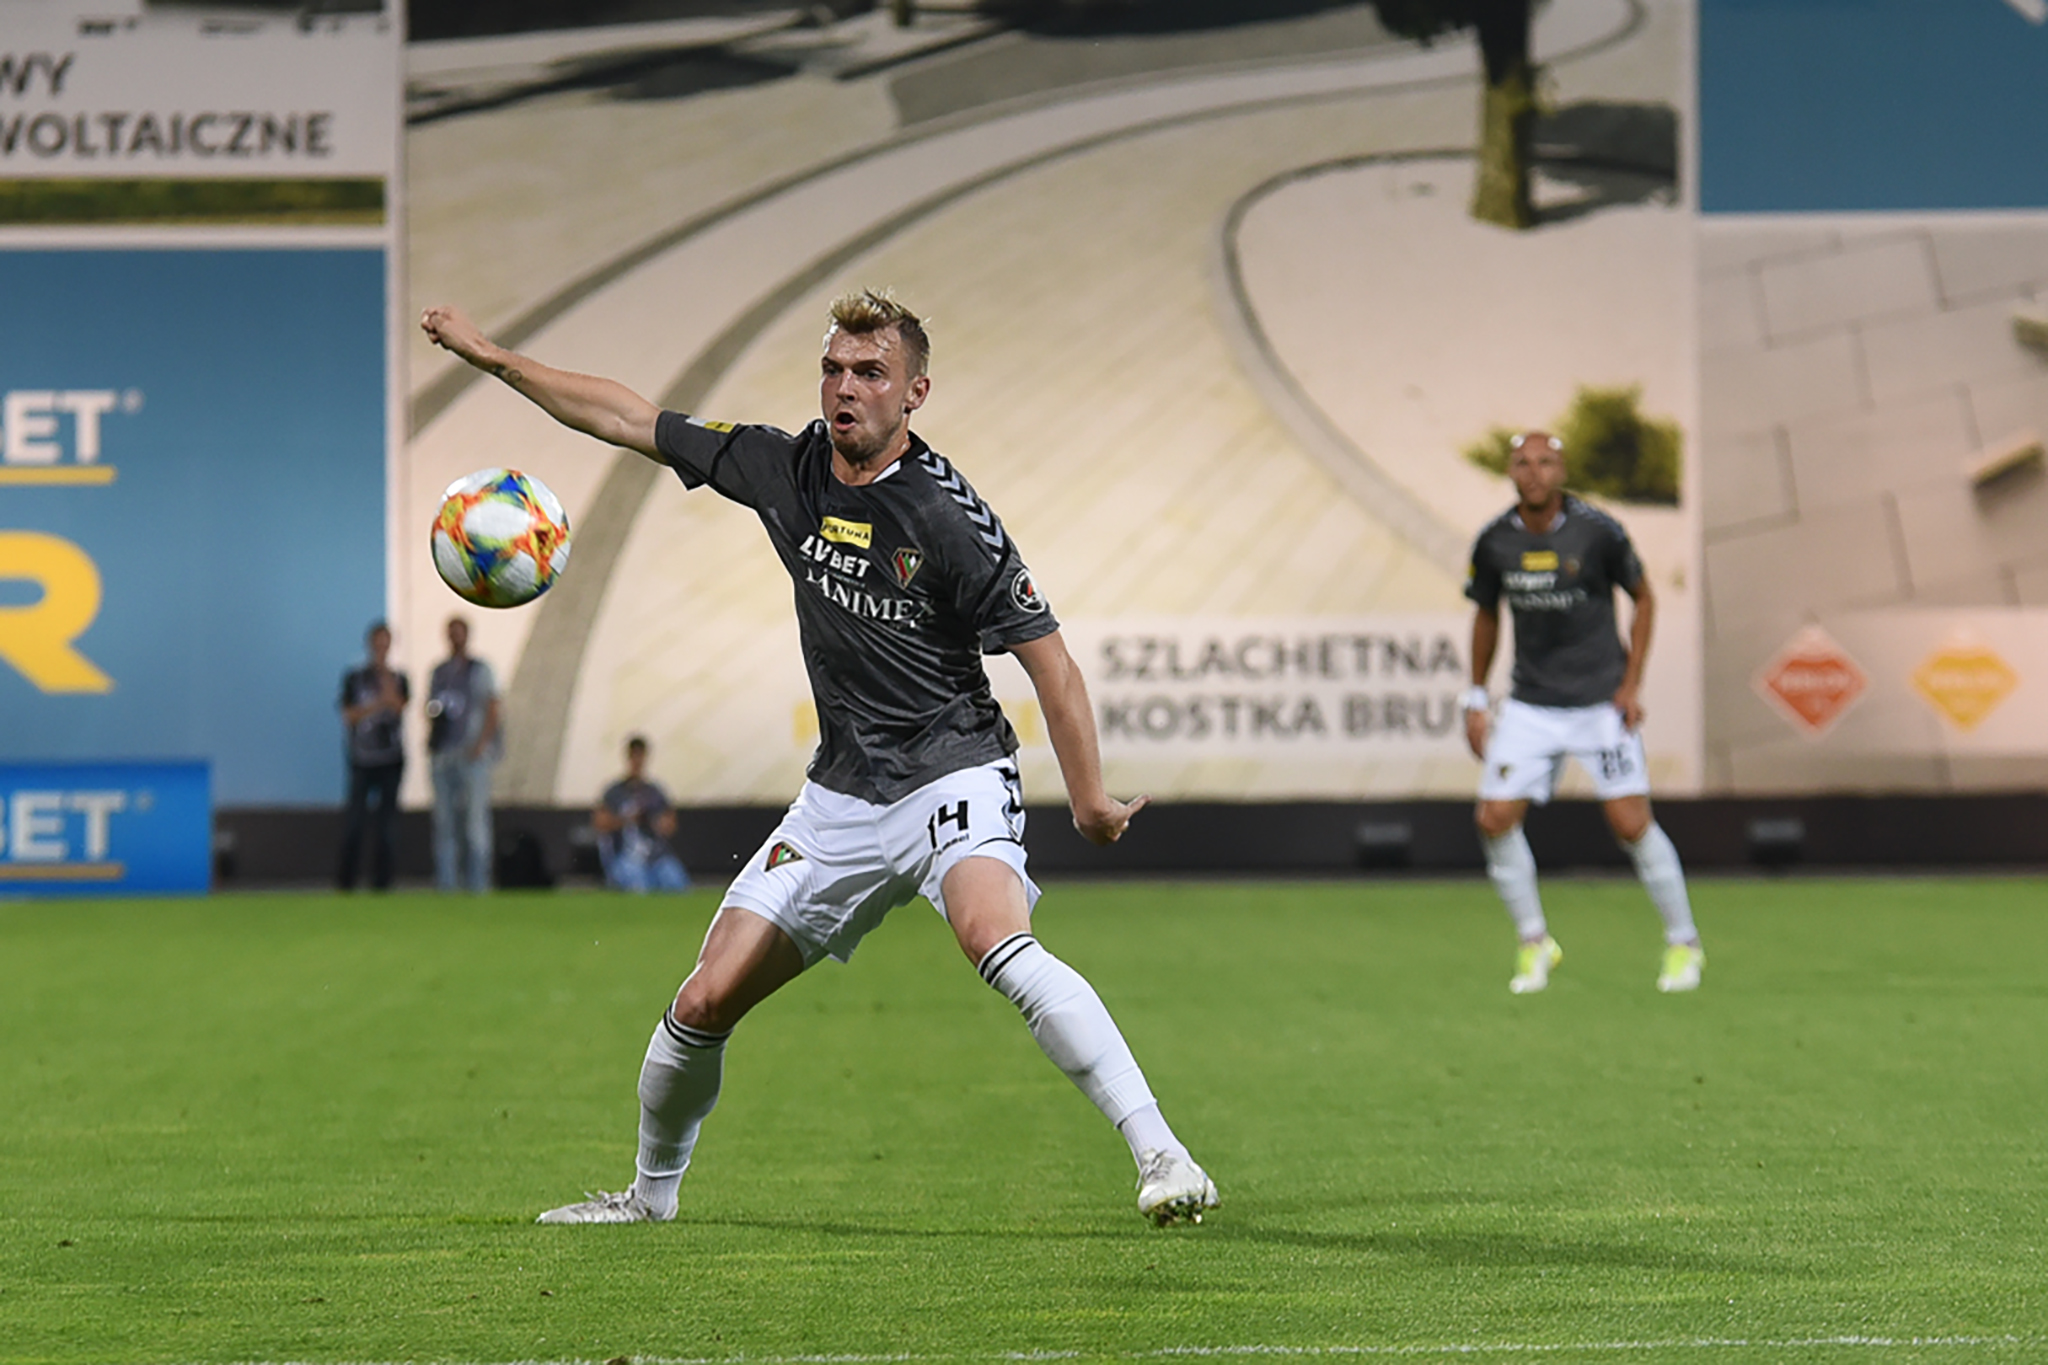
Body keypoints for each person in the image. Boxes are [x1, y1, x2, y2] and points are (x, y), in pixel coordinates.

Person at [421, 287, 1218, 1226]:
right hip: (839, 797)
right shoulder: (784, 468)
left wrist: (1087, 800)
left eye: (871, 373)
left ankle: (1163, 1154)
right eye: (834, 369)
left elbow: (1054, 666)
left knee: (994, 939)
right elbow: (630, 418)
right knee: (704, 999)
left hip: (950, 769)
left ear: (915, 392)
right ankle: (648, 1199)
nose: (846, 388)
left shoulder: (948, 516)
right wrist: (493, 357)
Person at [1463, 430, 1704, 995]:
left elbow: (1644, 597)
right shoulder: (1495, 542)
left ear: (1563, 470)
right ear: (1510, 472)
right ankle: (1534, 942)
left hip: (1599, 703)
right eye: (1524, 463)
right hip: (1531, 704)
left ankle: (1684, 943)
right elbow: (1486, 614)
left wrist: (1631, 683)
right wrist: (1475, 695)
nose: (1535, 473)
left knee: (1631, 824)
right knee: (1493, 818)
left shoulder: (1598, 532)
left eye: (1545, 463)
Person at [426, 615, 502, 893]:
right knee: (445, 822)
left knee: (474, 821)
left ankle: (478, 883)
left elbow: (493, 706)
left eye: (460, 632)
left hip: (472, 754)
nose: (455, 638)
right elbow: (433, 708)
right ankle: (447, 883)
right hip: (444, 753)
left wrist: (482, 744)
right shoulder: (440, 672)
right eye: (452, 633)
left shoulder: (480, 670)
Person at [336, 620, 409, 891]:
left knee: (387, 824)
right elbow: (349, 715)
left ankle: (383, 882)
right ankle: (347, 880)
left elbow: (400, 707)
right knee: (355, 821)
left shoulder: (399, 678)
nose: (381, 648)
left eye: (386, 643)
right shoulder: (354, 678)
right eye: (377, 643)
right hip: (361, 759)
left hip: (391, 759)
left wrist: (388, 686)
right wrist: (378, 703)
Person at [595, 735, 691, 892]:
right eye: (634, 756)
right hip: (625, 855)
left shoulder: (655, 792)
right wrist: (627, 819)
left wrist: (654, 822)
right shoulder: (615, 792)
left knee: (675, 881)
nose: (637, 761)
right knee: (638, 882)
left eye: (640, 756)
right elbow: (600, 823)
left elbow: (670, 825)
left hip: (655, 856)